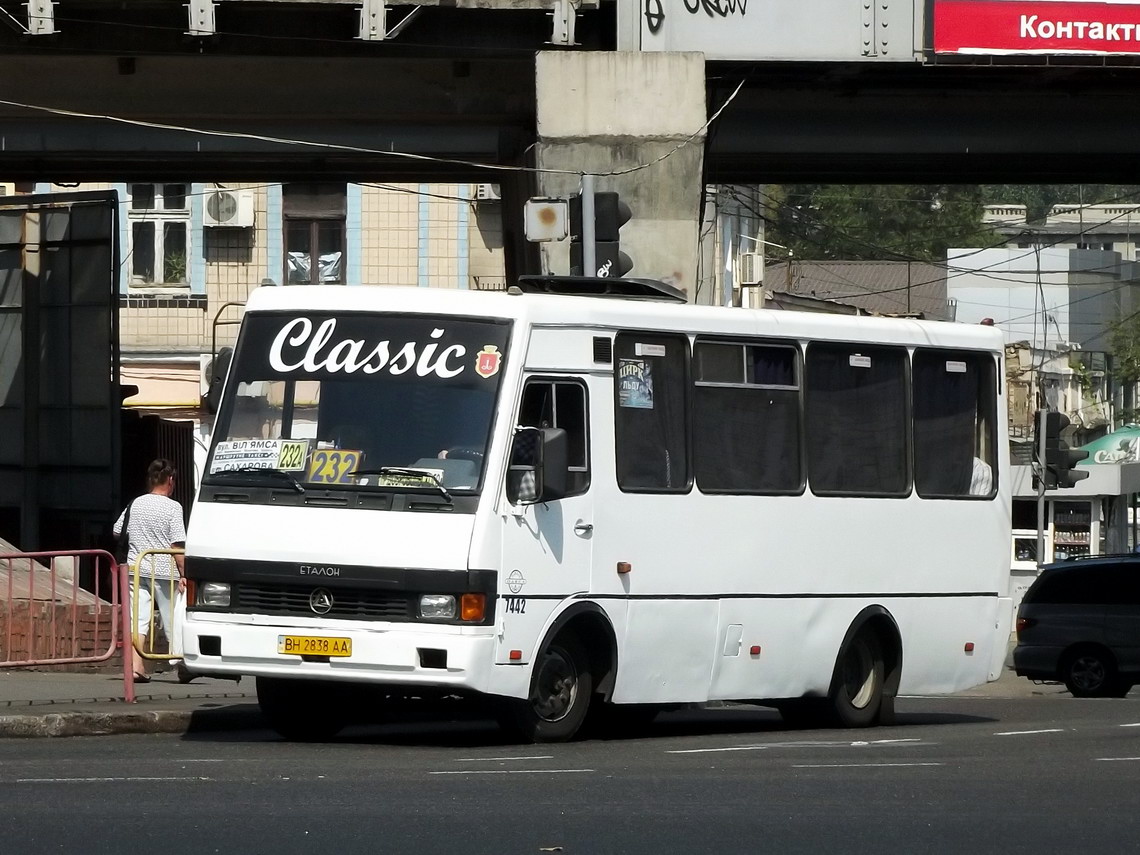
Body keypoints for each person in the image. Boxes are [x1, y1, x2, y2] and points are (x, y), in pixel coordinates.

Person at [113, 459, 188, 683]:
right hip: (164, 571)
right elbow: (177, 546)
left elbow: (118, 530)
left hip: (136, 567)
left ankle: (136, 667)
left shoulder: (135, 503)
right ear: (171, 480)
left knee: (138, 619)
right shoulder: (173, 507)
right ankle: (183, 664)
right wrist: (185, 573)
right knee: (173, 618)